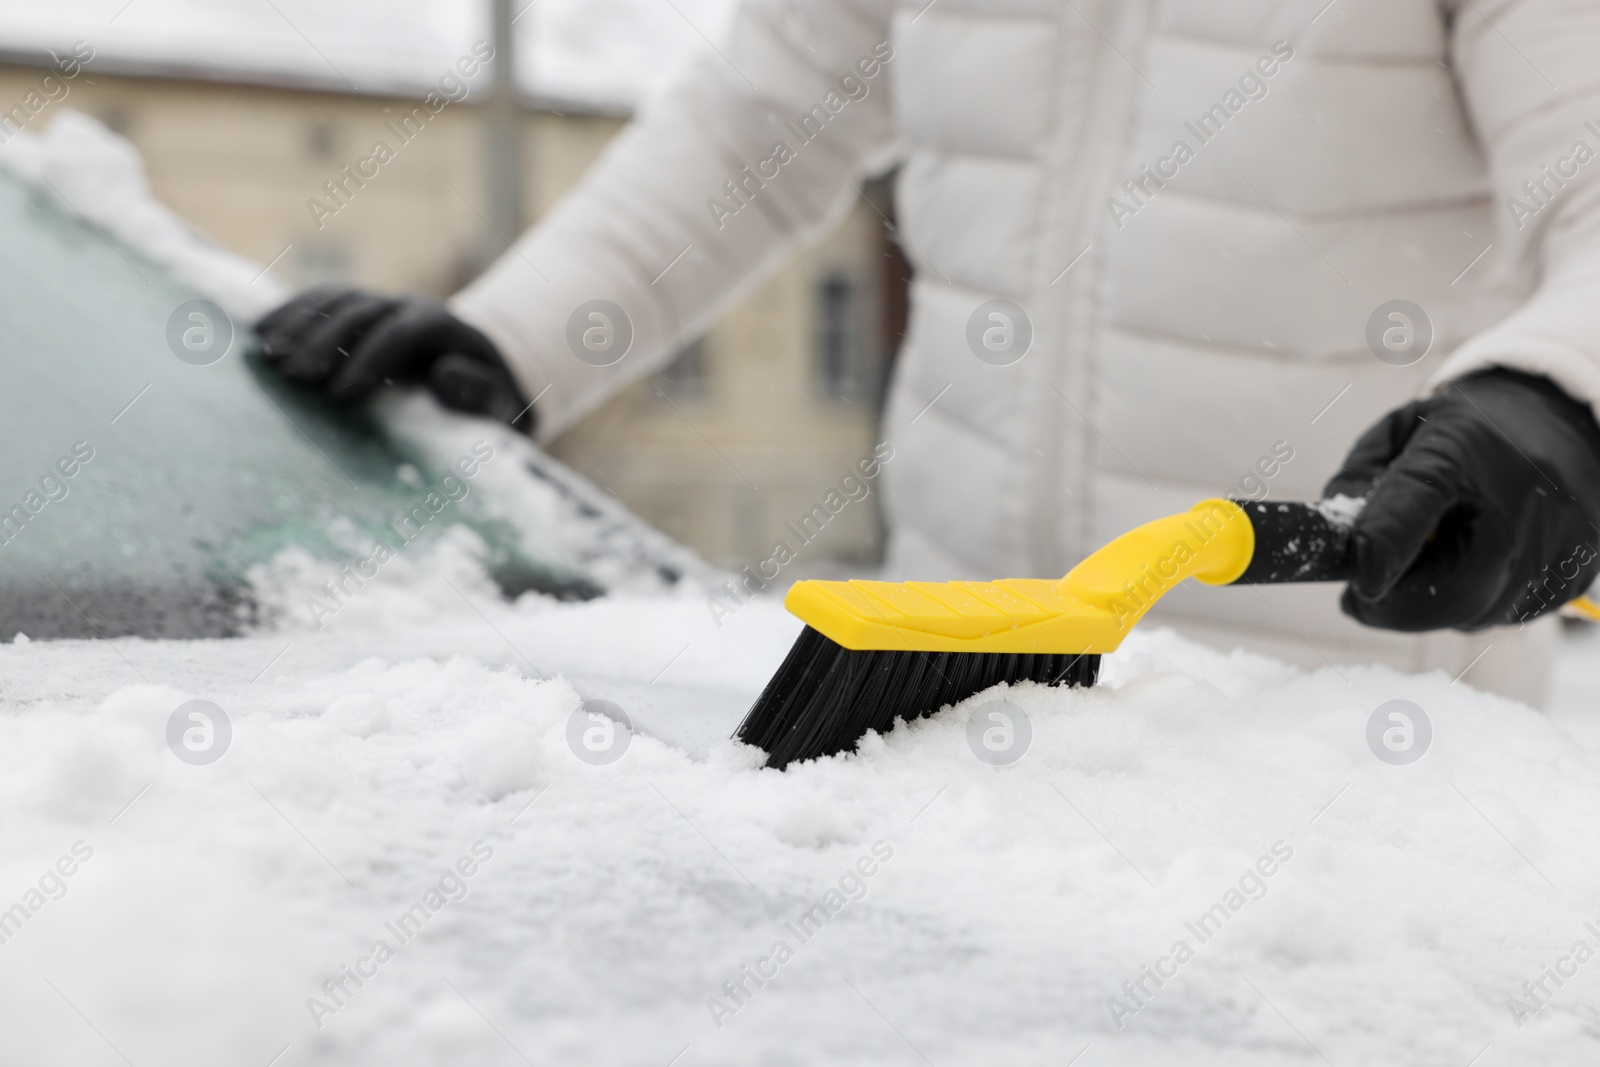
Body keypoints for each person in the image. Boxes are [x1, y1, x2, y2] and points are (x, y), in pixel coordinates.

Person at [254, 0, 1600, 706]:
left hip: (1352, 720)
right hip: (955, 685)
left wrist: (1555, 394)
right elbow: (752, 129)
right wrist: (519, 333)